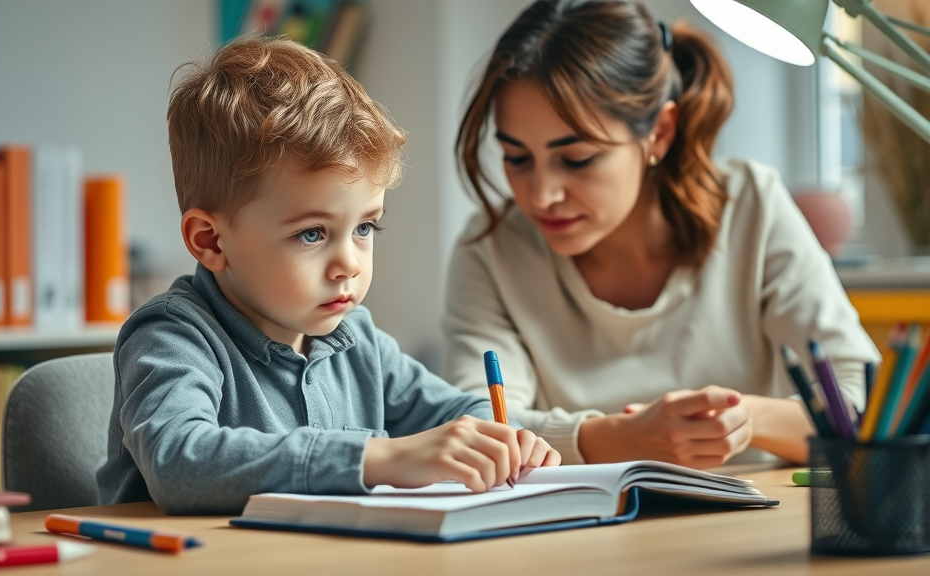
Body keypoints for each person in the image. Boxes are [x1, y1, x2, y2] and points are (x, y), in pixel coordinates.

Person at [96, 37, 560, 515]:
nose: (350, 264)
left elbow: (455, 413)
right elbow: (180, 463)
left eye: (364, 227)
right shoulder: (173, 336)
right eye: (313, 234)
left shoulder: (356, 337)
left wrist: (501, 440)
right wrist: (377, 457)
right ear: (211, 241)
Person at [444, 0, 879, 468]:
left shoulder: (751, 204)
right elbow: (482, 430)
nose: (542, 195)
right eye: (517, 157)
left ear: (660, 133)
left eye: (577, 159)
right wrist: (625, 437)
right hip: (574, 533)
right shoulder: (490, 249)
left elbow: (860, 402)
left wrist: (746, 419)